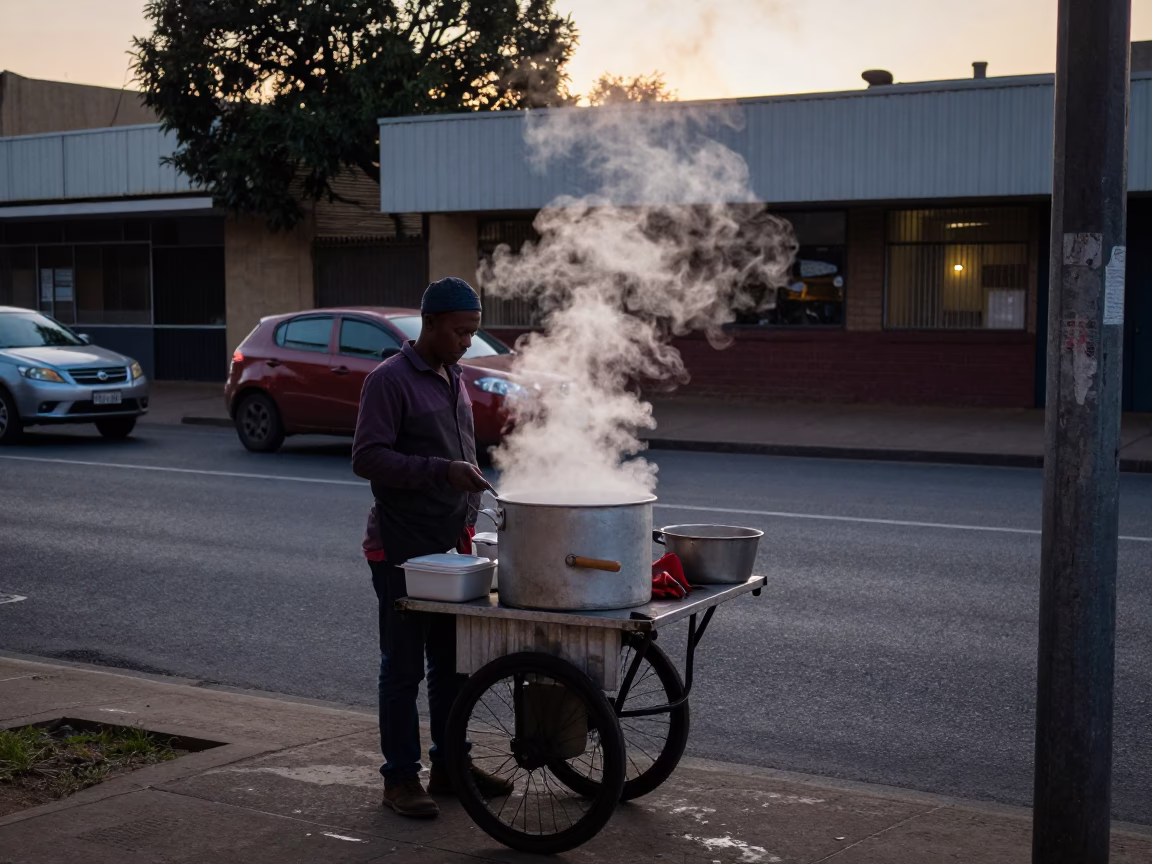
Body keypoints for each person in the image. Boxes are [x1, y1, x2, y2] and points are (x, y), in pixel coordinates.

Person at [352, 277, 511, 818]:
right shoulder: (388, 381)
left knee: (453, 664)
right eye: (461, 331)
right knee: (403, 668)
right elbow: (368, 459)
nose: (469, 341)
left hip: (452, 545)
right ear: (432, 324)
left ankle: (450, 765)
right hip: (400, 548)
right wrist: (443, 471)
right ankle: (399, 779)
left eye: (473, 331)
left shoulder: (453, 375)